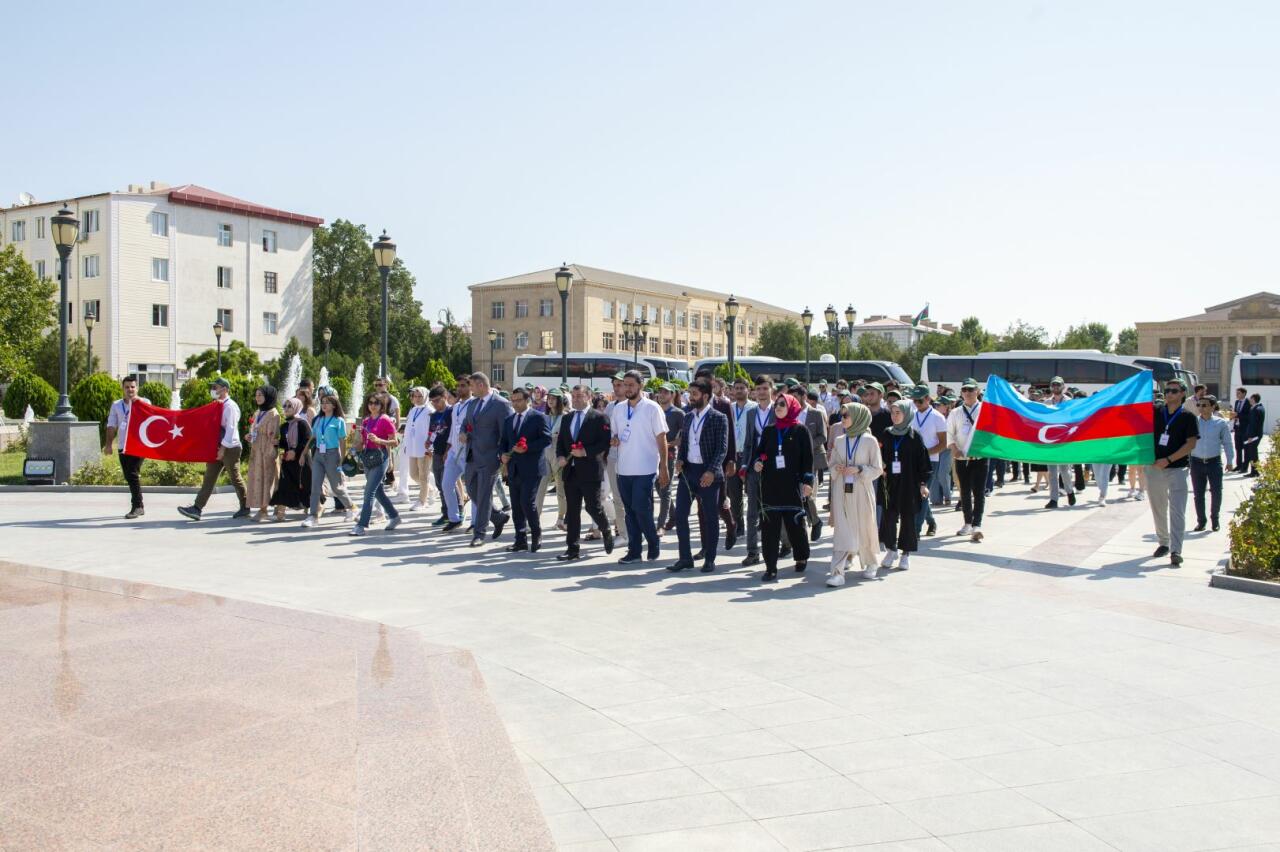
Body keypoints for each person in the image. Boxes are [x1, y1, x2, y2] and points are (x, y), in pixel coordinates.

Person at [608, 371, 670, 563]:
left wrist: (664, 467)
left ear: (640, 385)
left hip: (646, 468)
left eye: (631, 385)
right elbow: (614, 435)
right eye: (624, 385)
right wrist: (614, 440)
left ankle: (652, 542)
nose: (627, 388)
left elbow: (662, 438)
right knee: (630, 512)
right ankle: (634, 551)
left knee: (641, 508)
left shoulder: (652, 408)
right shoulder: (618, 409)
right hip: (623, 469)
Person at [668, 378, 729, 573]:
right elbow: (684, 444)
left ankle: (710, 558)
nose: (690, 398)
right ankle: (685, 558)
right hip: (688, 473)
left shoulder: (719, 418)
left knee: (711, 517)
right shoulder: (687, 417)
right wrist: (680, 460)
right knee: (680, 515)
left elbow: (722, 449)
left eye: (694, 394)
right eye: (689, 394)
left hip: (708, 473)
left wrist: (711, 471)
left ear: (705, 396)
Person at [754, 393, 814, 583]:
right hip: (771, 486)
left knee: (795, 525)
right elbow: (760, 453)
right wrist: (757, 463)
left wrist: (808, 482)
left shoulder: (801, 431)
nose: (778, 407)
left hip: (792, 485)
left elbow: (807, 460)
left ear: (791, 407)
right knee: (769, 529)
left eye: (782, 404)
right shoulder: (769, 430)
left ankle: (801, 556)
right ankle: (770, 567)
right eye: (776, 404)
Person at [178, 377, 249, 520]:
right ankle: (197, 508)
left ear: (225, 389)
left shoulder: (230, 406)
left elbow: (231, 430)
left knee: (235, 477)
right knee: (209, 478)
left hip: (230, 447)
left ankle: (245, 506)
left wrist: (223, 448)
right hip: (217, 447)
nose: (213, 390)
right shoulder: (218, 405)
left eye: (216, 387)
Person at [828, 402, 883, 586]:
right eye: (841, 415)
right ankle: (837, 571)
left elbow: (877, 469)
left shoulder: (870, 441)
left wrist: (859, 469)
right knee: (842, 529)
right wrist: (838, 467)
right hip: (842, 490)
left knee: (865, 525)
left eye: (846, 415)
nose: (842, 419)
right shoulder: (840, 441)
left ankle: (871, 562)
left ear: (858, 417)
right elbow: (832, 464)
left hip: (861, 488)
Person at [556, 385, 614, 560]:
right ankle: (572, 549)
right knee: (572, 512)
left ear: (589, 397)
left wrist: (586, 452)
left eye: (579, 396)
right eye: (573, 396)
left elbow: (604, 443)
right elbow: (561, 442)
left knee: (593, 507)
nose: (575, 399)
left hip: (589, 470)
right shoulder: (567, 418)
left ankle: (605, 528)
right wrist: (560, 456)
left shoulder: (599, 417)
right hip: (571, 471)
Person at [1147, 379, 1198, 565]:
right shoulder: (1156, 412)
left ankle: (1176, 550)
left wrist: (1168, 460)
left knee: (1177, 511)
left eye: (1174, 391)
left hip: (1176, 469)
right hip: (1154, 468)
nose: (1169, 394)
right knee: (1158, 507)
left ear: (1183, 393)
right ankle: (1163, 542)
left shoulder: (1188, 417)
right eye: (1167, 390)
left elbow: (1191, 444)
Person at [462, 372, 513, 547]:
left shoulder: (501, 404)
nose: (471, 389)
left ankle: (479, 533)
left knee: (484, 494)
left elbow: (507, 432)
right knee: (471, 488)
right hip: (472, 455)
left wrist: (504, 455)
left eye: (472, 386)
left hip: (490, 456)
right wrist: (463, 432)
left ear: (481, 385)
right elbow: (466, 423)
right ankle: (498, 517)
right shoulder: (473, 403)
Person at [880, 400, 932, 570]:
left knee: (908, 518)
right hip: (890, 483)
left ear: (907, 414)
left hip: (909, 484)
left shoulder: (915, 437)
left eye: (898, 412)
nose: (894, 416)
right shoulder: (887, 434)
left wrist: (923, 484)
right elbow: (880, 456)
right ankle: (891, 549)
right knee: (888, 517)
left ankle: (905, 553)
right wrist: (882, 466)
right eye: (892, 412)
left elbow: (923, 464)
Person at [499, 387, 553, 552]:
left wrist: (528, 447)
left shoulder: (538, 417)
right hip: (514, 468)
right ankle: (520, 539)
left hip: (532, 468)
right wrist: (502, 455)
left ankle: (536, 534)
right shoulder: (509, 420)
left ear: (527, 400)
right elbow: (504, 442)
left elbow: (546, 439)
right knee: (516, 505)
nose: (515, 404)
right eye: (513, 401)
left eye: (518, 400)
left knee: (527, 503)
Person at [350, 392, 401, 536]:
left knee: (369, 491)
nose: (373, 405)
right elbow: (362, 442)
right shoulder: (366, 421)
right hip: (368, 458)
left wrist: (380, 440)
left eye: (376, 403)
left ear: (381, 405)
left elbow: (395, 441)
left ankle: (361, 525)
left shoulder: (385, 420)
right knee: (378, 491)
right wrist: (354, 448)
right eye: (370, 402)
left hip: (380, 458)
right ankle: (394, 516)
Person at [103, 374, 150, 519]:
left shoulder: (144, 402)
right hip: (123, 445)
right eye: (127, 387)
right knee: (129, 476)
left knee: (132, 474)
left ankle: (137, 506)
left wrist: (138, 403)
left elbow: (152, 421)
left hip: (139, 445)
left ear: (137, 388)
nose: (130, 390)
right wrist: (108, 444)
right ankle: (138, 505)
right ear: (123, 388)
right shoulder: (117, 405)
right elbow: (112, 425)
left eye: (133, 387)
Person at [739, 376, 775, 566]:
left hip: (774, 468)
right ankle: (753, 551)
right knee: (752, 511)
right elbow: (748, 442)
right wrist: (745, 465)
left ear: (771, 390)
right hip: (754, 467)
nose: (761, 392)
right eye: (758, 389)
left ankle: (780, 545)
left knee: (773, 510)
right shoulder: (751, 413)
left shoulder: (778, 410)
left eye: (764, 388)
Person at [304, 393, 355, 527]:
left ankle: (352, 507)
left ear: (334, 405)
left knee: (336, 487)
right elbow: (313, 437)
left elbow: (342, 441)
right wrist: (304, 453)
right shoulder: (319, 420)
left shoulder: (339, 420)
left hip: (332, 454)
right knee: (315, 486)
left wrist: (342, 459)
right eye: (322, 402)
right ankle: (313, 516)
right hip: (318, 455)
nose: (324, 405)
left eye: (327, 402)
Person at [947, 379, 987, 542]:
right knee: (964, 490)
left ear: (977, 391)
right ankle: (967, 523)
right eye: (965, 390)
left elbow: (990, 432)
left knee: (978, 491)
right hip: (962, 457)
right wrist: (954, 448)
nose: (968, 393)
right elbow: (950, 432)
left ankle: (977, 524)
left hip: (979, 457)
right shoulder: (955, 412)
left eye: (971, 390)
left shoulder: (985, 410)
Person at [1190, 395, 1233, 532]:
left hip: (1214, 462)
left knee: (1216, 492)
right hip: (1196, 462)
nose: (1201, 408)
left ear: (1213, 407)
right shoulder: (1194, 422)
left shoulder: (1220, 423)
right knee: (1198, 494)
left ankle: (1215, 519)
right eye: (1199, 405)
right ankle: (1201, 521)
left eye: (1204, 405)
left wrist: (1230, 460)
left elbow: (1227, 443)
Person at [909, 387, 947, 537]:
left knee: (922, 495)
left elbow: (943, 443)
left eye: (920, 400)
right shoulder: (912, 416)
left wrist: (924, 453)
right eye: (915, 400)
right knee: (918, 494)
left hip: (931, 461)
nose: (917, 403)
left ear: (928, 399)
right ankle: (931, 522)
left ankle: (916, 529)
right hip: (914, 462)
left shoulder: (938, 417)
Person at [726, 377, 757, 554]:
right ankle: (739, 524)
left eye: (741, 388)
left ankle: (756, 521)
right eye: (736, 388)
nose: (738, 391)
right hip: (733, 456)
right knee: (734, 494)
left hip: (749, 456)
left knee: (752, 492)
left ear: (748, 389)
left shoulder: (753, 408)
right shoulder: (729, 408)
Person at [440, 376, 475, 532]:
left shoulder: (474, 404)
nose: (459, 389)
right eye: (457, 386)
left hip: (468, 451)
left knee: (472, 487)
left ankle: (475, 521)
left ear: (470, 387)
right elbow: (453, 430)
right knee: (446, 484)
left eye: (462, 386)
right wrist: (448, 450)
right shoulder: (455, 407)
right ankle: (454, 518)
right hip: (454, 450)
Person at [270, 397, 312, 521]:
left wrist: (296, 451)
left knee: (305, 485)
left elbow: (307, 440)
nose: (286, 409)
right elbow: (285, 442)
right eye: (285, 406)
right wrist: (277, 442)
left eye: (289, 406)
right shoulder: (284, 426)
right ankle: (281, 513)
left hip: (301, 459)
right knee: (284, 485)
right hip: (289, 460)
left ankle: (315, 507)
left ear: (297, 407)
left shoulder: (302, 423)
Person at [245, 385, 281, 522]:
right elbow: (254, 429)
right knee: (258, 477)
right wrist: (249, 435)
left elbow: (273, 435)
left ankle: (265, 509)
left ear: (268, 396)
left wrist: (270, 450)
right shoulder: (258, 412)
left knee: (268, 478)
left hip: (267, 449)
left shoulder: (273, 413)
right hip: (257, 449)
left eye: (260, 395)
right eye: (256, 395)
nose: (257, 398)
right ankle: (262, 507)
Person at [655, 383, 685, 534]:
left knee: (665, 489)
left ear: (672, 395)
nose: (662, 394)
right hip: (652, 455)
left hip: (669, 455)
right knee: (657, 487)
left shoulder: (678, 413)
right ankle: (674, 515)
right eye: (660, 391)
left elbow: (684, 437)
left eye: (666, 392)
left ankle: (660, 525)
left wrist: (669, 444)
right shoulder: (654, 410)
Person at [1043, 378, 1077, 509]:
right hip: (1050, 441)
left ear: (1063, 386)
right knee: (1052, 472)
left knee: (1065, 470)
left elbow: (1073, 418)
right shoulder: (1046, 402)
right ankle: (1053, 499)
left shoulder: (1069, 402)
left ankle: (1070, 492)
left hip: (1064, 440)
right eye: (1053, 385)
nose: (1056, 387)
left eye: (1058, 384)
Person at [537, 389, 567, 525]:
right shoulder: (544, 417)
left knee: (561, 488)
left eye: (554, 398)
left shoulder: (566, 417)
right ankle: (535, 518)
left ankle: (561, 518)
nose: (550, 401)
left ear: (559, 401)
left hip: (558, 453)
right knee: (540, 487)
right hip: (544, 454)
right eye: (549, 398)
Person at [802, 389, 829, 540]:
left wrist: (805, 444)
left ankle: (815, 520)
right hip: (794, 459)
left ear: (804, 397)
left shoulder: (816, 413)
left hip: (812, 459)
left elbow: (823, 437)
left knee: (808, 493)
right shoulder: (789, 412)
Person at [402, 386, 434, 512]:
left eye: (420, 396)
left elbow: (432, 430)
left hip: (424, 447)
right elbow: (409, 428)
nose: (417, 398)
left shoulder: (429, 411)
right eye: (415, 396)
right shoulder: (413, 410)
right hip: (412, 447)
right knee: (413, 474)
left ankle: (422, 501)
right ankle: (430, 489)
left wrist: (431, 446)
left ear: (425, 396)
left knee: (423, 475)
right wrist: (406, 444)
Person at [426, 387, 453, 526]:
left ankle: (456, 510)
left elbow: (454, 432)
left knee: (448, 483)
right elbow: (432, 432)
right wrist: (428, 442)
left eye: (437, 400)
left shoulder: (452, 411)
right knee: (439, 484)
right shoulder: (434, 415)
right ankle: (446, 513)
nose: (435, 404)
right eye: (432, 402)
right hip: (437, 452)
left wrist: (449, 450)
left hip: (449, 452)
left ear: (445, 396)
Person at [372, 376, 402, 494]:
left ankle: (391, 479)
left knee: (388, 454)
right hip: (378, 427)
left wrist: (396, 428)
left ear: (386, 385)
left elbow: (397, 413)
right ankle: (385, 479)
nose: (378, 387)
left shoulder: (392, 398)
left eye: (381, 384)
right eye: (376, 385)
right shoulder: (374, 398)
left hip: (388, 427)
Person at [1244, 393, 1266, 477]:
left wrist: (1250, 436)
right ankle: (1255, 471)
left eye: (1250, 398)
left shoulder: (1255, 409)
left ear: (1253, 399)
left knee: (1252, 454)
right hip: (1257, 434)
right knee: (1254, 454)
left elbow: (1253, 424)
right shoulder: (1260, 407)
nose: (1249, 400)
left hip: (1254, 436)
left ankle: (1254, 472)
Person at [1232, 388, 1252, 472]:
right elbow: (1236, 414)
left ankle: (1245, 467)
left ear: (1244, 394)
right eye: (1236, 393)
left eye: (1239, 393)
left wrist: (1238, 415)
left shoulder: (1248, 403)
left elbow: (1249, 417)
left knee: (1246, 449)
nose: (1237, 395)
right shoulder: (1236, 402)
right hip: (1237, 428)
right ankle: (1238, 465)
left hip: (1245, 429)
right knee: (1238, 448)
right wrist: (1234, 416)